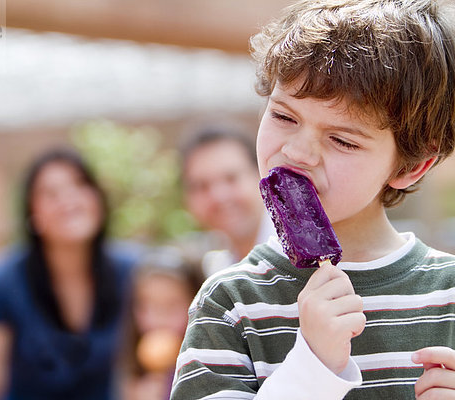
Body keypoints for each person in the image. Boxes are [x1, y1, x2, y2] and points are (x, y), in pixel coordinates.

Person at [171, 0, 455, 399]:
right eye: (284, 117)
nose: (298, 152)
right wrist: (311, 368)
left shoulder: (448, 294)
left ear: (412, 167)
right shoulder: (231, 301)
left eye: (342, 139)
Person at [0, 148, 137, 399]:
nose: (69, 199)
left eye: (80, 184)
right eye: (51, 193)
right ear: (33, 214)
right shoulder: (2, 281)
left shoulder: (133, 272)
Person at [179, 123, 274, 277]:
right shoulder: (217, 270)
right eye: (202, 186)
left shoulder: (306, 250)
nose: (219, 196)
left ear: (262, 174)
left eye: (231, 178)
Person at [117, 247, 202, 400]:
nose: (158, 319)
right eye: (147, 306)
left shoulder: (209, 368)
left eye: (172, 306)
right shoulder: (131, 371)